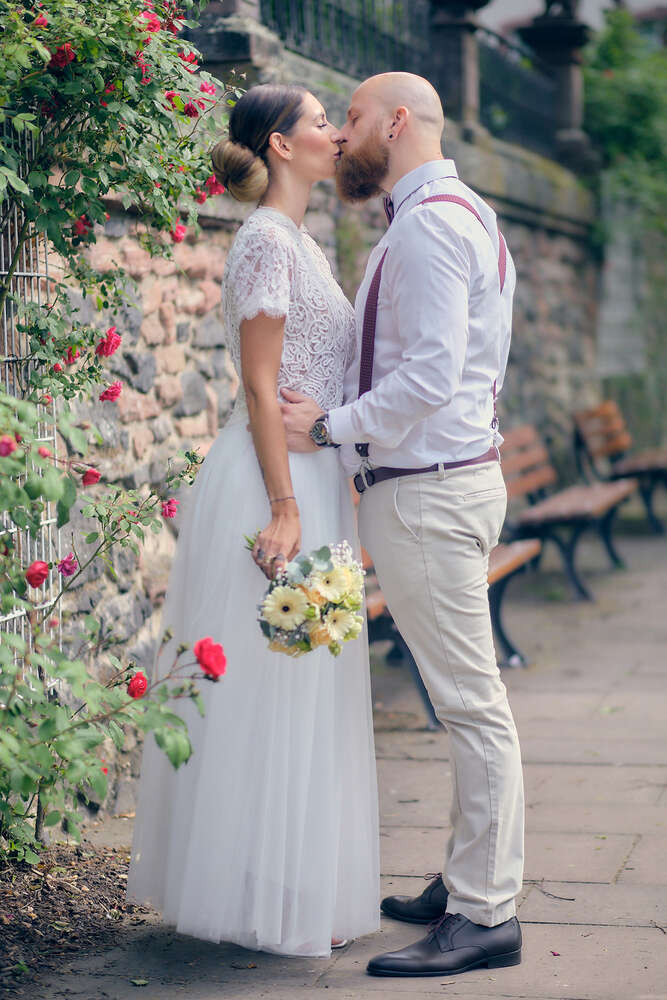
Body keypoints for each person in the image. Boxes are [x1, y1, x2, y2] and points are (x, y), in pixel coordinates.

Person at [126, 84, 380, 958]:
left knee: (301, 691)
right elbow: (261, 387)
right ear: (280, 145)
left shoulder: (297, 239)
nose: (337, 135)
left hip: (312, 480)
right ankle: (247, 888)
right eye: (321, 124)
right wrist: (282, 507)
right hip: (273, 488)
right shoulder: (268, 242)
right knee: (265, 692)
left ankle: (287, 879)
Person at [281, 72, 525, 977]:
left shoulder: (428, 226)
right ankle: (468, 879)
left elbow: (427, 379)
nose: (339, 137)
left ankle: (486, 913)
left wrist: (331, 428)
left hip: (428, 493)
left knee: (468, 706)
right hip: (440, 486)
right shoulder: (459, 213)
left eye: (348, 117)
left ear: (393, 120)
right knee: (465, 701)